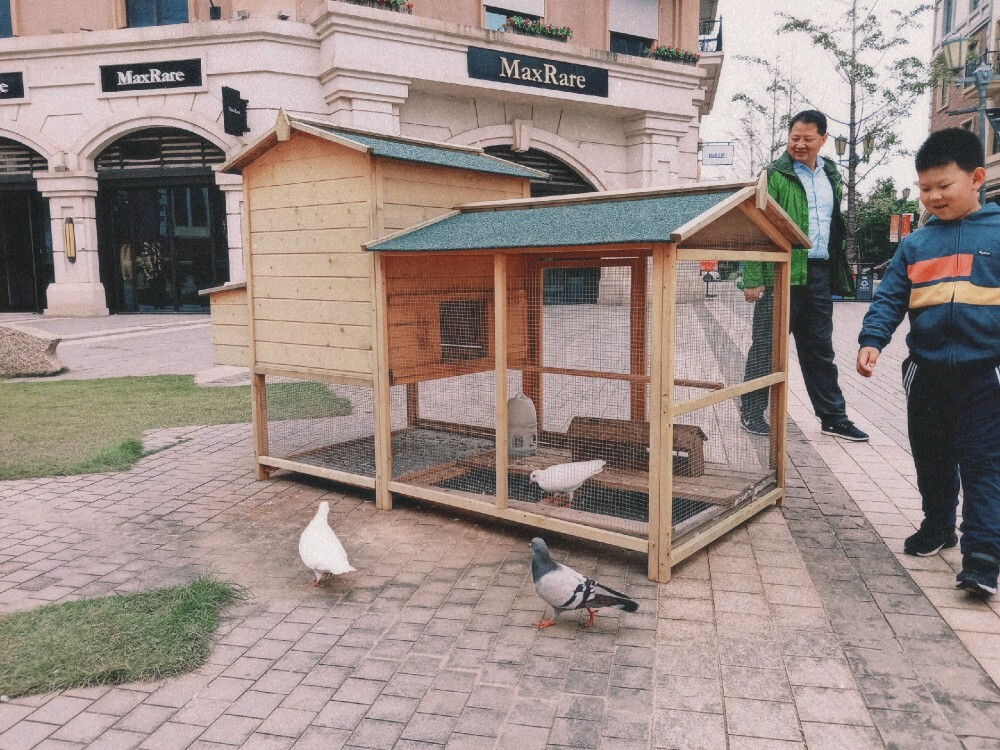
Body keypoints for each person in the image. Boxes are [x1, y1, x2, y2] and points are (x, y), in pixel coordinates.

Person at [858, 127, 1000, 596]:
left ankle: (982, 554)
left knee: (984, 463)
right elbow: (891, 298)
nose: (933, 196)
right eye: (925, 188)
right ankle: (938, 525)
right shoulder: (916, 244)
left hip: (986, 373)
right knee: (932, 456)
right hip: (927, 372)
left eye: (944, 186)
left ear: (977, 178)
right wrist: (872, 339)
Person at [740, 110, 869, 442]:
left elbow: (834, 225)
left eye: (807, 139)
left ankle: (833, 417)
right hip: (780, 273)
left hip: (819, 273)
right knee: (766, 347)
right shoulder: (774, 174)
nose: (799, 144)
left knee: (819, 349)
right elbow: (757, 224)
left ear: (823, 140)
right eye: (794, 138)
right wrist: (753, 275)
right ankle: (752, 413)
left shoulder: (832, 175)